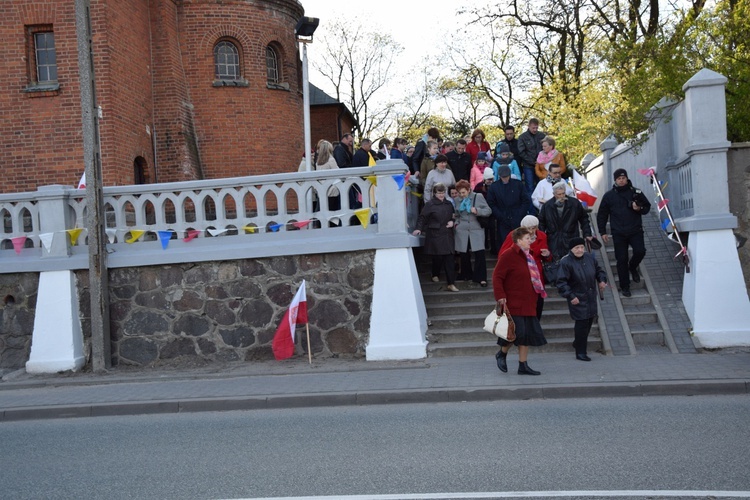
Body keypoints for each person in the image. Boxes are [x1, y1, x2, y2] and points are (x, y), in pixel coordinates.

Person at [493, 226, 548, 375]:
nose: (530, 241)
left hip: (529, 301)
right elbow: (497, 277)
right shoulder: (508, 255)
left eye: (530, 238)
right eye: (527, 238)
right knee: (516, 333)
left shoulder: (529, 255)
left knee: (527, 334)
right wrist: (500, 297)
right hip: (513, 301)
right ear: (518, 240)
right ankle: (502, 353)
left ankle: (523, 365)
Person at [596, 168, 651, 297]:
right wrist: (602, 231)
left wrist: (639, 208)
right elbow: (602, 214)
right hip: (618, 233)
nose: (621, 181)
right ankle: (625, 286)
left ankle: (633, 266)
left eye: (623, 178)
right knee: (621, 259)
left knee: (640, 251)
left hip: (635, 230)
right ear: (615, 180)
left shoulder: (636, 192)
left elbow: (646, 207)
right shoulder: (609, 196)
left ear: (627, 178)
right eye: (619, 178)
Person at [556, 237, 608, 361]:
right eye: (577, 248)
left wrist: (602, 280)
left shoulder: (590, 258)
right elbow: (561, 282)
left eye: (581, 247)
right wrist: (570, 296)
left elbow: (599, 271)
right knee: (582, 323)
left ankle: (578, 343)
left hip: (590, 296)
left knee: (589, 320)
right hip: (577, 297)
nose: (580, 250)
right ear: (571, 249)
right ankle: (580, 352)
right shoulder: (566, 262)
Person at [500, 215, 552, 319]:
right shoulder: (513, 235)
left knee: (538, 303)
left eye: (534, 227)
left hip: (536, 275)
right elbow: (503, 254)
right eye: (529, 228)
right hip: (519, 274)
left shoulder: (542, 236)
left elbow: (547, 256)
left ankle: (535, 326)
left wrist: (547, 254)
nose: (532, 231)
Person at [413, 183, 459, 292]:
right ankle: (435, 273)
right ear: (434, 193)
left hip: (447, 233)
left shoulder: (449, 204)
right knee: (437, 257)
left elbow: (454, 216)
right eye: (439, 193)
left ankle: (451, 283)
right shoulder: (430, 205)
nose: (441, 195)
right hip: (435, 234)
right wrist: (418, 228)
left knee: (449, 258)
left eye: (443, 192)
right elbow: (422, 217)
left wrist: (452, 222)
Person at [538, 181, 593, 261]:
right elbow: (541, 223)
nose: (562, 196)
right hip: (553, 241)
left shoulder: (574, 203)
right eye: (559, 194)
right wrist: (543, 240)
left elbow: (584, 219)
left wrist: (587, 233)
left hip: (571, 238)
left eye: (563, 193)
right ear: (554, 194)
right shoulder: (547, 206)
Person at [454, 179, 492, 286]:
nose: (462, 195)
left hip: (476, 228)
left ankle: (481, 277)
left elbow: (488, 210)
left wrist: (478, 211)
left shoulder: (478, 196)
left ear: (469, 190)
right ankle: (467, 274)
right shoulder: (457, 200)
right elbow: (456, 214)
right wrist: (457, 224)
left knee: (479, 253)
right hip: (462, 229)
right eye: (460, 193)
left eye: (464, 192)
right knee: (464, 254)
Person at [487, 164, 531, 254]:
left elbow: (526, 200)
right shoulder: (494, 187)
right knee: (504, 242)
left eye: (506, 176)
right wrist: (500, 215)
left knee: (519, 241)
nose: (505, 179)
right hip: (502, 216)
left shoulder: (518, 184)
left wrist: (519, 213)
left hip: (517, 215)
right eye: (503, 177)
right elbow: (491, 203)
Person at [517, 118, 545, 196]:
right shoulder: (522, 137)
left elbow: (546, 148)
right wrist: (533, 162)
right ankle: (531, 207)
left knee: (541, 185)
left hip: (541, 165)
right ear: (528, 126)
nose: (535, 130)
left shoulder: (542, 136)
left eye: (536, 128)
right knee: (530, 187)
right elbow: (521, 152)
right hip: (528, 166)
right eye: (533, 128)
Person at [311, 140, 341, 211]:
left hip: (321, 189)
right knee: (332, 211)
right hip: (331, 190)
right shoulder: (331, 160)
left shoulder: (318, 162)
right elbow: (338, 173)